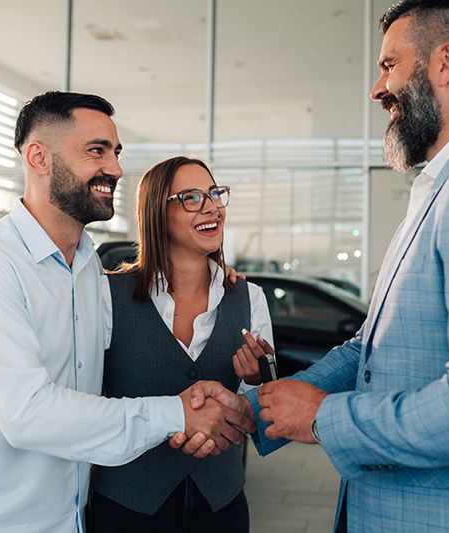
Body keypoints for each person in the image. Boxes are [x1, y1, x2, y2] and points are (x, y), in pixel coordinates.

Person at [185, 1, 449, 531]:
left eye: (389, 65)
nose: (377, 90)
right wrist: (265, 410)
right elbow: (374, 349)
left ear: (446, 62)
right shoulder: (443, 187)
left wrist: (320, 417)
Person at [0, 92, 253, 533]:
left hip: (69, 520)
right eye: (96, 151)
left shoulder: (91, 271)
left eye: (116, 152)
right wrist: (178, 413)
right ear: (38, 157)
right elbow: (28, 413)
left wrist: (209, 277)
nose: (115, 169)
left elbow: (102, 382)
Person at [86, 156, 273, 533]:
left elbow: (265, 413)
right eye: (191, 197)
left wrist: (257, 381)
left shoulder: (249, 298)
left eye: (215, 194)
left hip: (222, 507)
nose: (212, 207)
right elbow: (74, 392)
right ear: (157, 212)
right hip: (126, 509)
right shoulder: (107, 295)